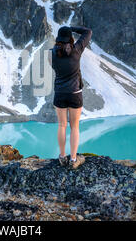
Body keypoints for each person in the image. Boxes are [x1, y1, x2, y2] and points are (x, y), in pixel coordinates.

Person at [50, 26, 92, 169]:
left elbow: (54, 67)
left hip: (60, 93)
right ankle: (73, 159)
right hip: (75, 94)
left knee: (62, 125)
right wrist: (72, 28)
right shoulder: (77, 49)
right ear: (70, 38)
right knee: (75, 126)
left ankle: (62, 157)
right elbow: (88, 32)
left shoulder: (52, 53)